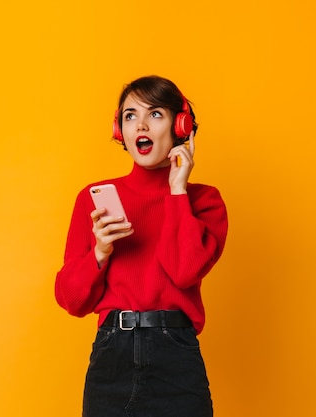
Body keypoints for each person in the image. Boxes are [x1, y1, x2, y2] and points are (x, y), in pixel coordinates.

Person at [55, 75, 228, 417]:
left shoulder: (205, 202)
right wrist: (100, 253)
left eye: (156, 114)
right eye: (130, 116)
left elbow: (184, 271)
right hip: (111, 356)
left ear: (181, 126)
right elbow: (71, 300)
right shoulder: (95, 199)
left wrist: (177, 191)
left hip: (176, 358)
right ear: (120, 130)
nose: (141, 125)